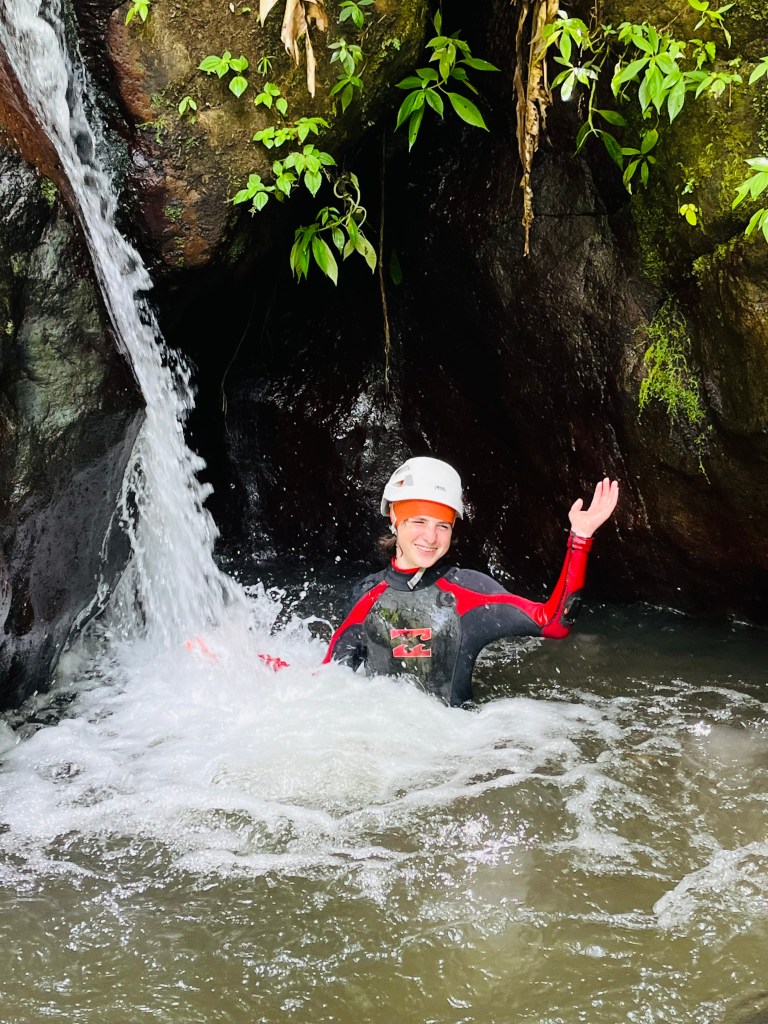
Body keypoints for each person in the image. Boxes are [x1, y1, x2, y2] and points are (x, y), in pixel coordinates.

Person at [323, 456, 619, 706]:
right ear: (394, 518)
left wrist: (580, 538)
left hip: (456, 748)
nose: (430, 537)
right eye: (419, 522)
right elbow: (328, 683)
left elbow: (554, 622)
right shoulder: (366, 595)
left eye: (443, 526)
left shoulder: (469, 593)